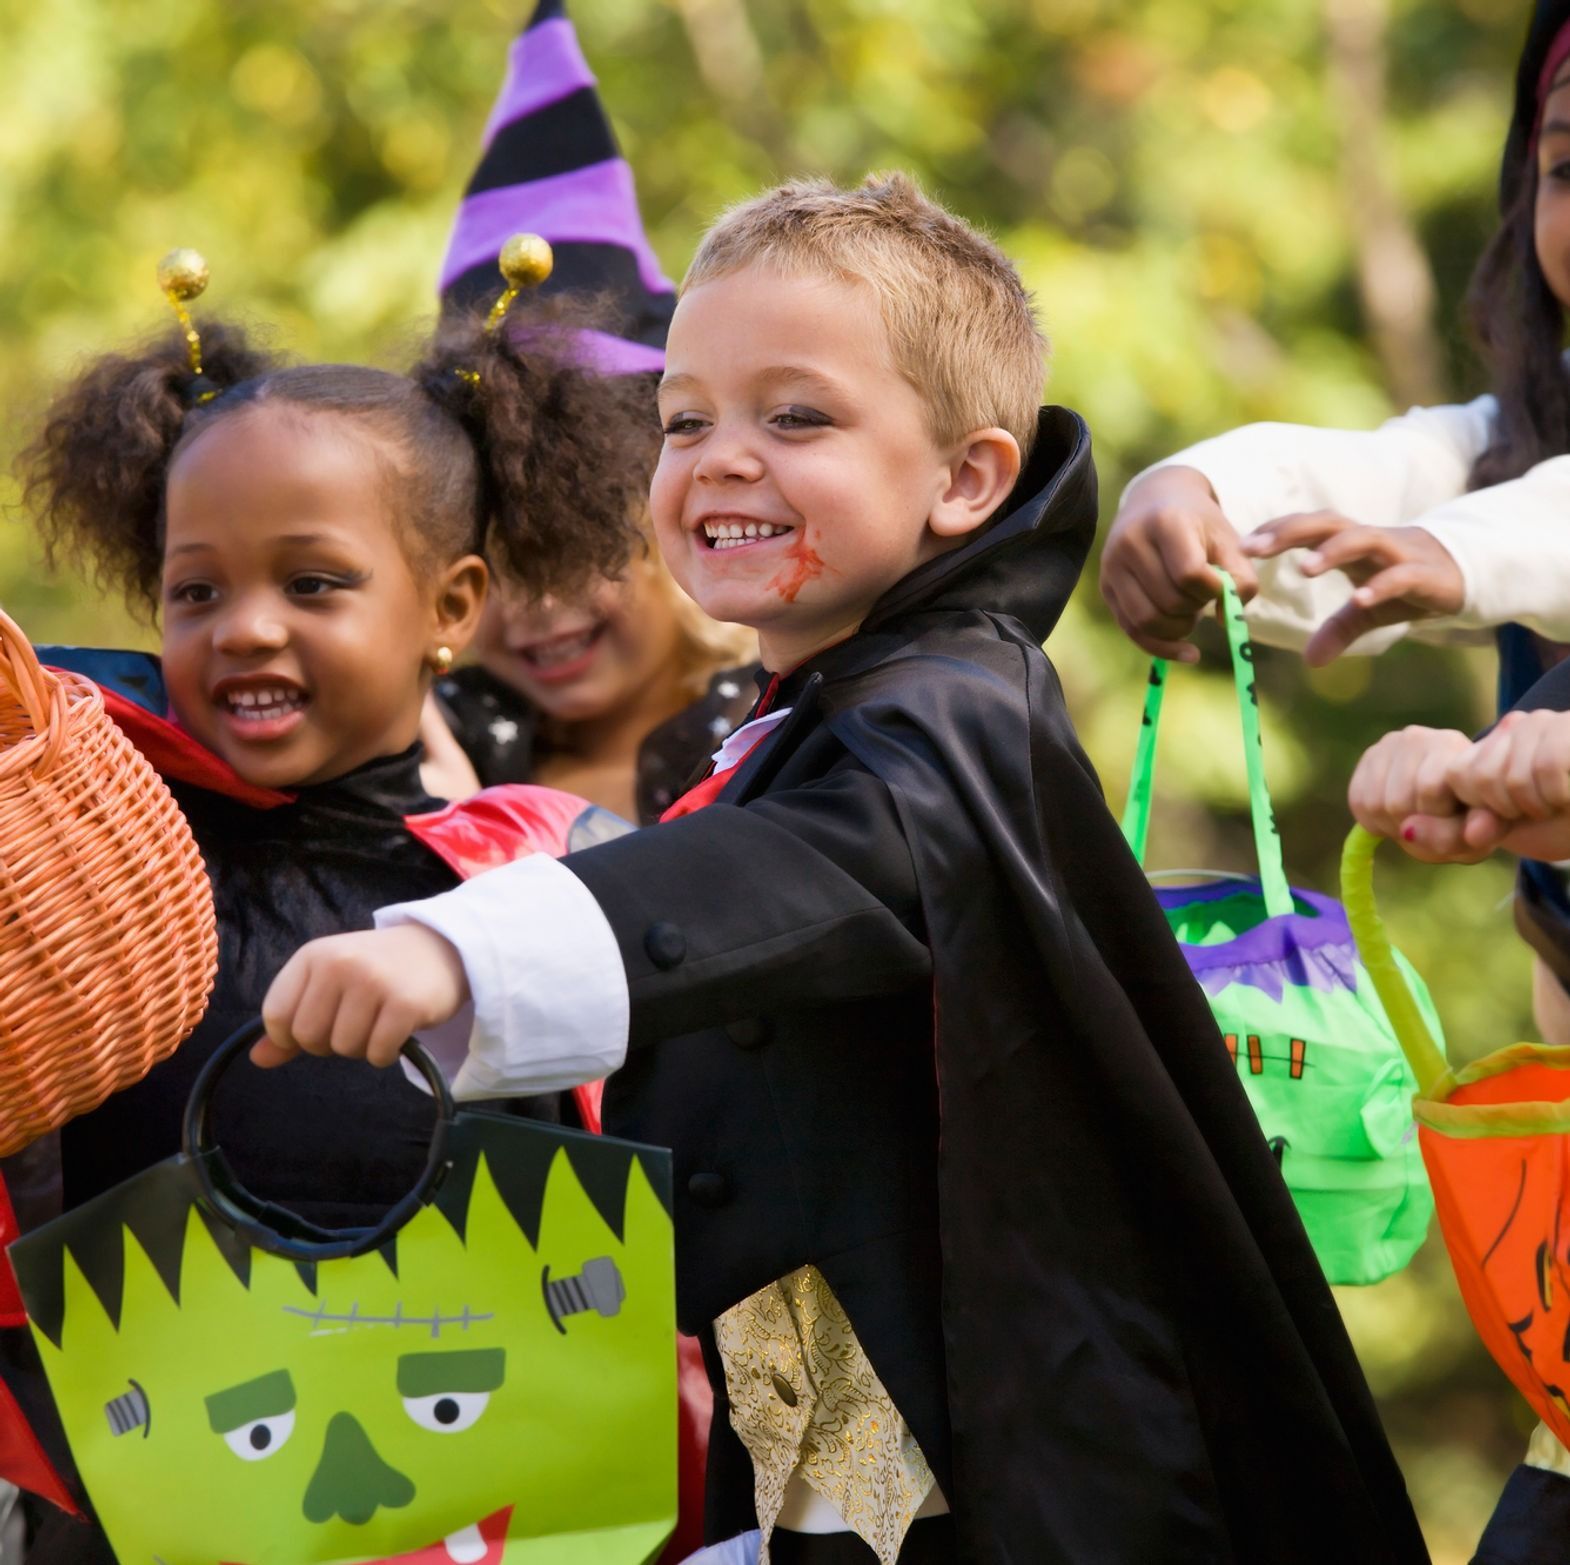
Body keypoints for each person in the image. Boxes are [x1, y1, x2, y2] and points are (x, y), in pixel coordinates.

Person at [254, 172, 1427, 1564]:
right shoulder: (802, 718)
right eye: (683, 419)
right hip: (838, 1425)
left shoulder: (949, 712)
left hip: (1032, 1466)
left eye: (794, 414)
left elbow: (820, 863)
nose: (721, 456)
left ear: (965, 479)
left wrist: (459, 949)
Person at [2, 258, 649, 1559]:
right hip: (130, 1502)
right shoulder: (94, 861)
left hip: (491, 1498)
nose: (244, 628)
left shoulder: (548, 888)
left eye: (312, 585)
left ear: (451, 607)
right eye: (198, 590)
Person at [1099, 0, 1570, 1053]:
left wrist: (1455, 552)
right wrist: (1187, 496)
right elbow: (1368, 476)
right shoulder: (1517, 441)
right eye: (1567, 167)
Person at [429, 0, 756, 825]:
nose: (538, 605)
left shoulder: (780, 747)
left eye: (573, 544)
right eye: (500, 557)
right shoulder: (425, 751)